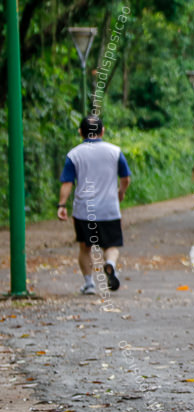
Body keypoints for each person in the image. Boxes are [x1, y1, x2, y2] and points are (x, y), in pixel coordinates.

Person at [57, 115, 132, 295]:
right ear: (102, 131)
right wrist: (120, 192)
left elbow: (67, 183)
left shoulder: (74, 154)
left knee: (85, 247)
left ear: (80, 132)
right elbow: (126, 178)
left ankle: (89, 283)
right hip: (109, 208)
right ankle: (110, 265)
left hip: (84, 210)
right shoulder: (115, 152)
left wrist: (61, 205)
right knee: (111, 245)